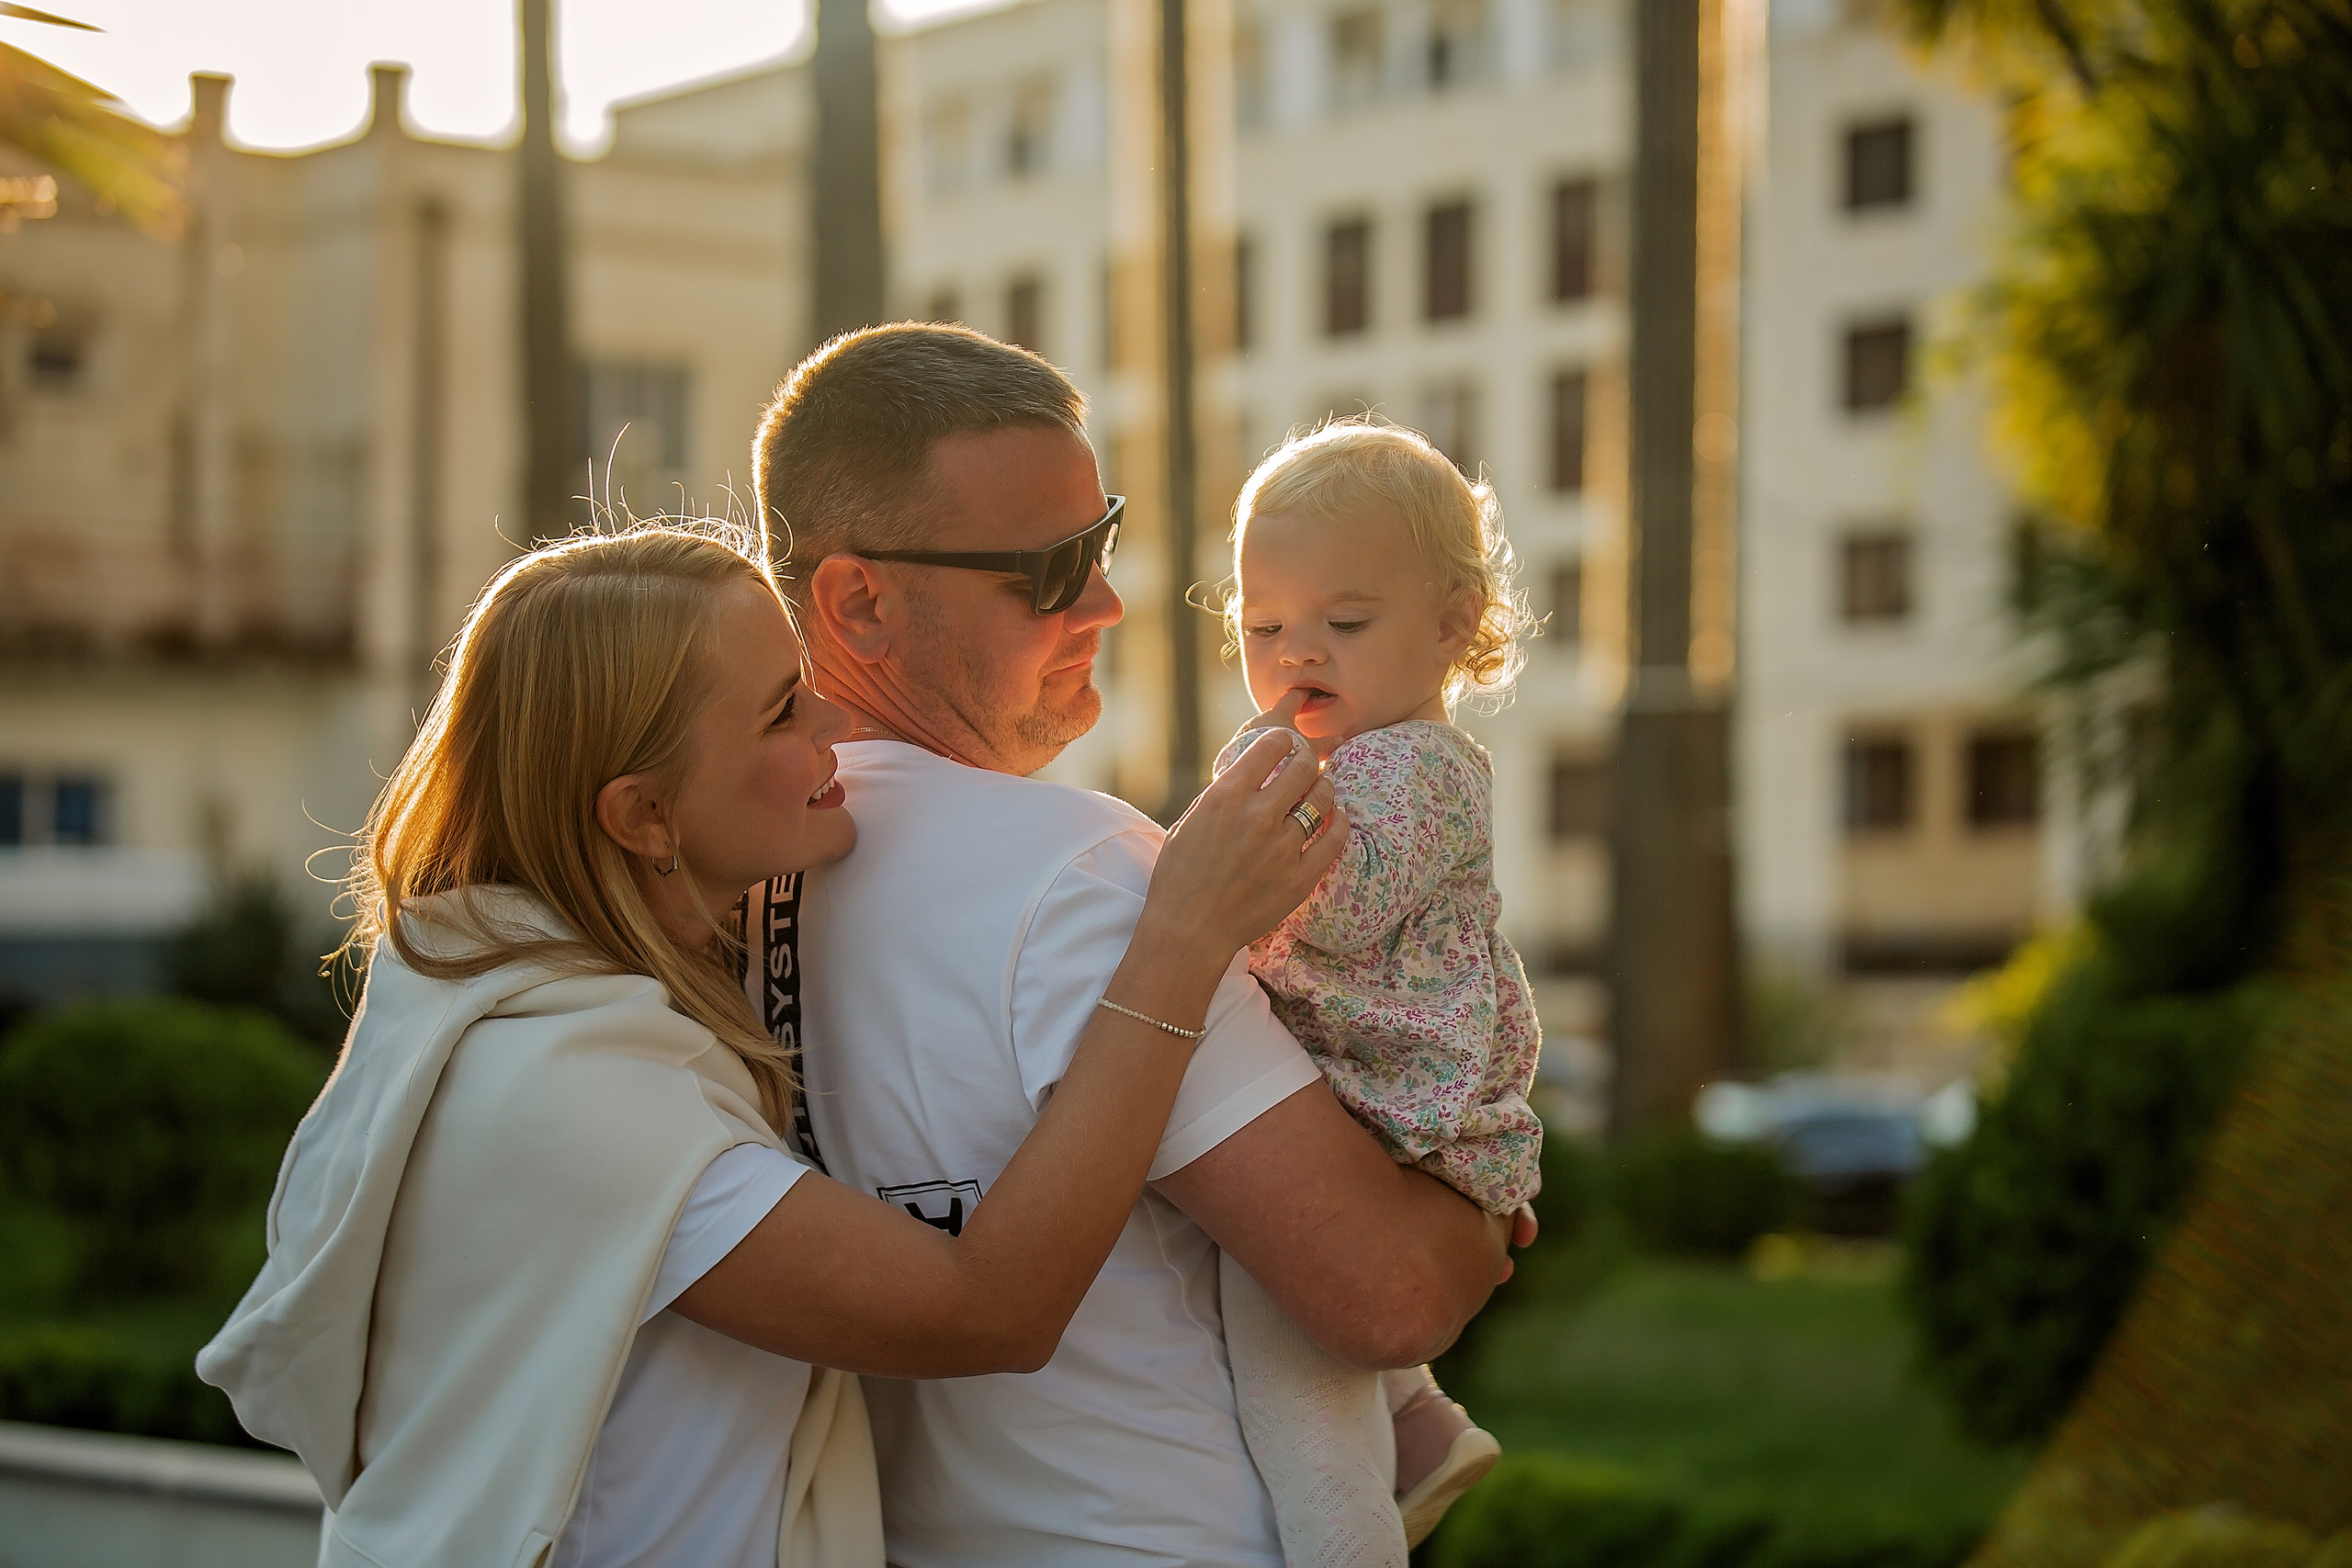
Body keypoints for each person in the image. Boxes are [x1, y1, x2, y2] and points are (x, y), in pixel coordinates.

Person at [196, 521, 1340, 1567]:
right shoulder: (559, 1087)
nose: (835, 722)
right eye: (782, 710)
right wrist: (1179, 940)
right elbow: (983, 1311)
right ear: (643, 817)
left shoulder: (524, 992)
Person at [749, 322, 1520, 1568]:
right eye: (1051, 568)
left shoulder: (727, 874)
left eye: (1099, 540)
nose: (1108, 596)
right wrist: (1487, 1206)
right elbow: (1386, 1290)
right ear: (859, 599)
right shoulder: (1082, 876)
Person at [1210, 418, 1545, 1563]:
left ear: (1452, 624)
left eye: (1344, 625)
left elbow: (1333, 903)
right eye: (1264, 626)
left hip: (1394, 1092)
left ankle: (1346, 1532)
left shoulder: (1417, 769)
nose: (1298, 653)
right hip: (1370, 1085)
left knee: (1286, 1351)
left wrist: (1246, 788)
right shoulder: (1355, 761)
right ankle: (1416, 1423)